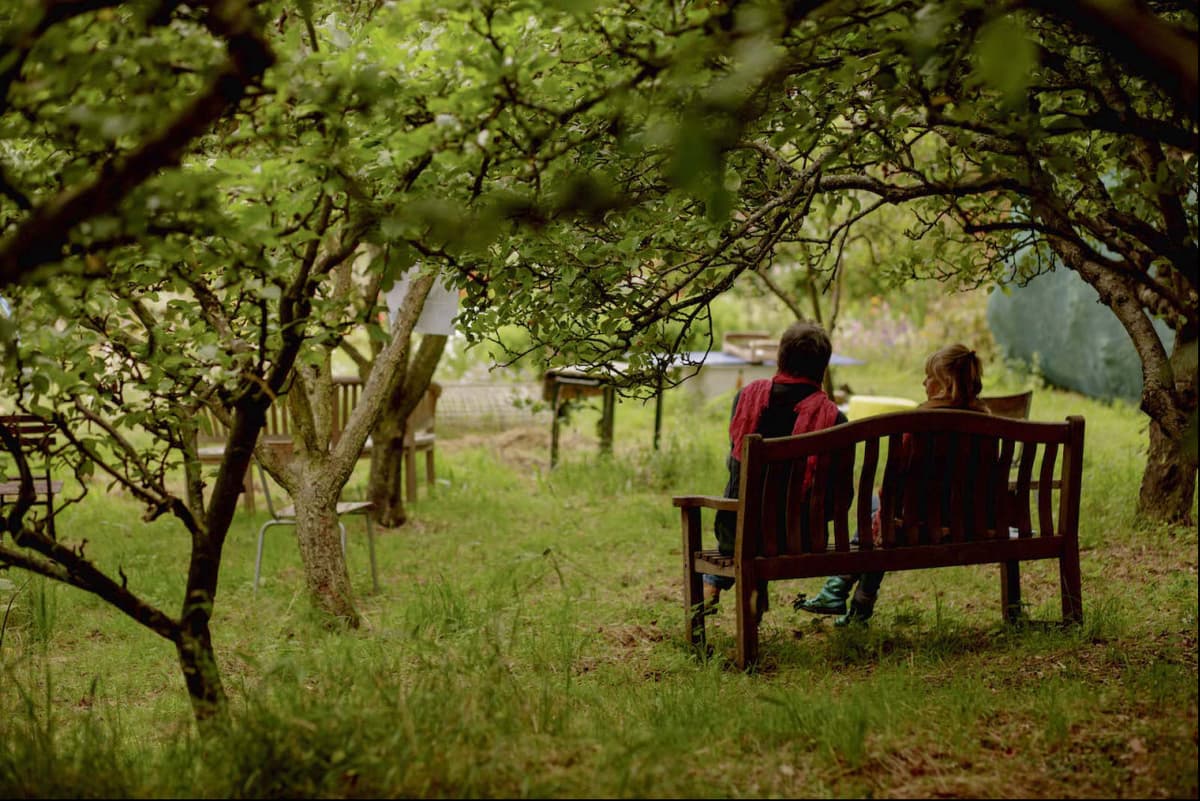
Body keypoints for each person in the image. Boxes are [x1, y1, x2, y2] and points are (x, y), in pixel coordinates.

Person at [794, 343, 989, 626]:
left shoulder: (921, 423)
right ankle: (853, 602)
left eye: (928, 377)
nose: (924, 382)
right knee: (879, 515)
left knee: (877, 511)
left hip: (921, 525)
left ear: (944, 383)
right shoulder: (985, 420)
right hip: (971, 523)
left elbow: (900, 481)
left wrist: (885, 505)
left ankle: (839, 588)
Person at [703, 321, 848, 610]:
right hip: (804, 537)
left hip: (739, 535)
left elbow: (735, 468)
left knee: (742, 494)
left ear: (780, 359)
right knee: (774, 508)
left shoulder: (745, 398)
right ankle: (749, 590)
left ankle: (710, 585)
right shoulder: (834, 418)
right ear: (823, 367)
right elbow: (842, 497)